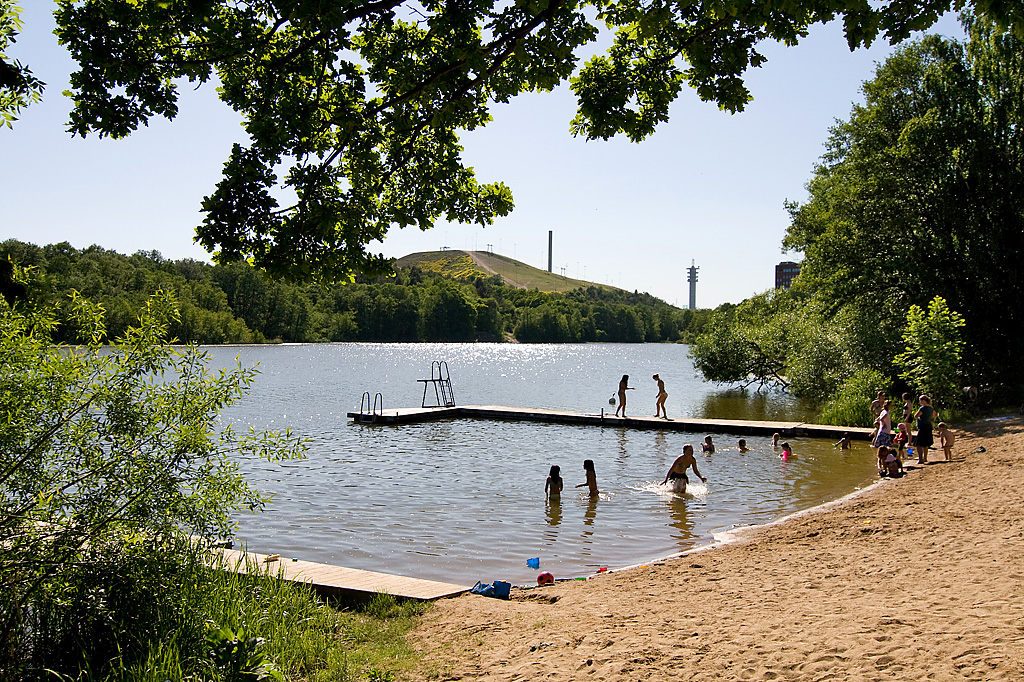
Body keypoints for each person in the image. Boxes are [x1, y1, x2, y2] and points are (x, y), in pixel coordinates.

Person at [914, 395, 937, 464]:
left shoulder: (922, 408)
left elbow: (916, 416)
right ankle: (925, 458)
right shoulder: (931, 408)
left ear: (924, 401)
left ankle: (920, 459)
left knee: (919, 443)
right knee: (926, 443)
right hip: (928, 426)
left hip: (922, 426)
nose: (920, 402)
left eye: (920, 401)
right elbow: (934, 415)